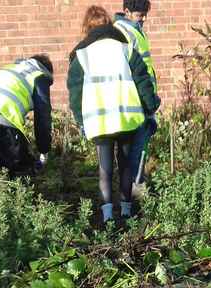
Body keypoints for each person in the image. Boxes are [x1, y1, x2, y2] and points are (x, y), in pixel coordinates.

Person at [67, 6, 160, 223]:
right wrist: (150, 105)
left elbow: (75, 93)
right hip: (127, 118)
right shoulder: (125, 48)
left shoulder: (81, 55)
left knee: (105, 169)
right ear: (109, 24)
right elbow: (143, 80)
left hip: (99, 121)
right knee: (126, 166)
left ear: (86, 28)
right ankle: (127, 212)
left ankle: (108, 216)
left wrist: (81, 122)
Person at [0, 54, 54, 175]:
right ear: (46, 70)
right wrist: (44, 149)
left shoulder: (10, 69)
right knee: (23, 169)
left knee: (2, 170)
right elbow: (42, 116)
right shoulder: (38, 75)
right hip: (2, 118)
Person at [113, 0, 157, 193]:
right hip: (134, 99)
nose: (144, 18)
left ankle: (134, 188)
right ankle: (133, 191)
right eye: (140, 15)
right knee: (134, 149)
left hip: (143, 97)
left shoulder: (135, 29)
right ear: (127, 12)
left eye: (145, 14)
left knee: (139, 147)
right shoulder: (122, 32)